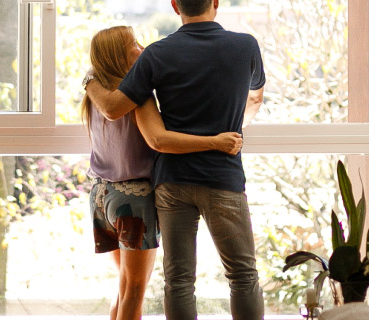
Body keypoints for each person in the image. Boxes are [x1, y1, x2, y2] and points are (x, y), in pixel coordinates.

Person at [85, 0, 268, 319]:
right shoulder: (246, 45)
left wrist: (88, 82)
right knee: (243, 277)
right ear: (215, 3)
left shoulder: (156, 54)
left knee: (178, 282)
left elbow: (114, 107)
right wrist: (232, 126)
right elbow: (254, 97)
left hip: (169, 183)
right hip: (220, 177)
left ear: (174, 6)